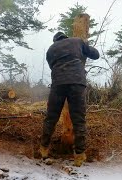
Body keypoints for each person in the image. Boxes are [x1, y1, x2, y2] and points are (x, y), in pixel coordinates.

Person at [40, 32, 99, 167]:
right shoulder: (77, 41)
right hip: (77, 83)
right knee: (79, 120)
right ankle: (79, 156)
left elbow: (52, 66)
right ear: (65, 37)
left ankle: (43, 149)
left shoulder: (50, 50)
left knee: (51, 118)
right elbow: (95, 55)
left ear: (55, 41)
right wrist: (84, 47)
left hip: (58, 83)